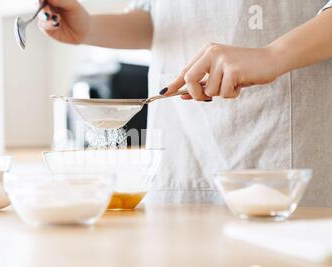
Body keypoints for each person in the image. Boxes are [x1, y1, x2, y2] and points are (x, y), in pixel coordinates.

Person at [37, 0, 332, 206]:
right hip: (182, 158)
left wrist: (272, 56)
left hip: (285, 148)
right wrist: (87, 29)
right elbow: (161, 18)